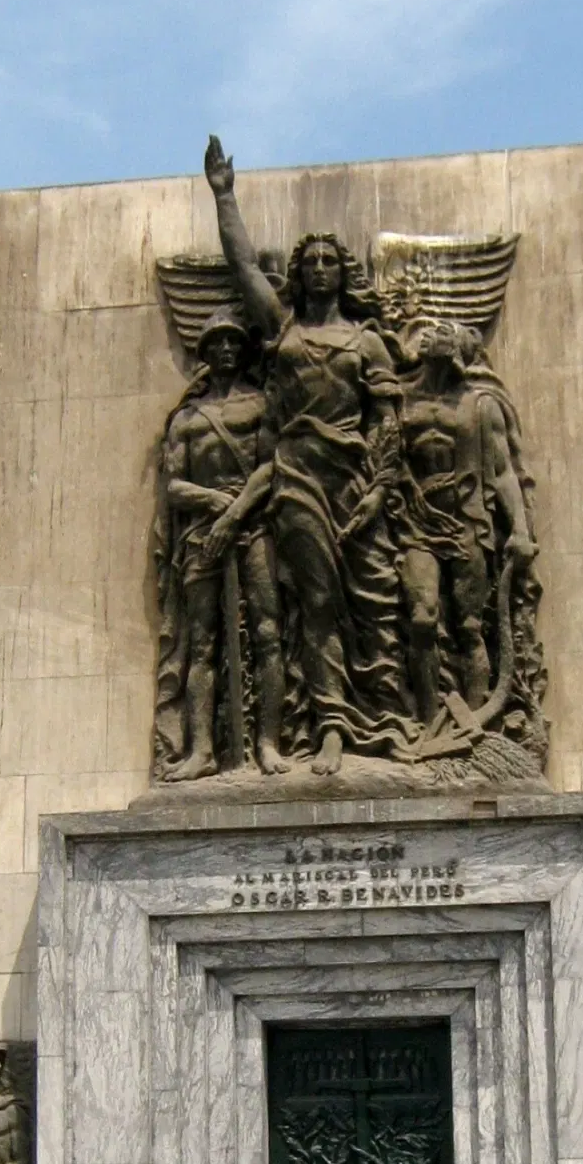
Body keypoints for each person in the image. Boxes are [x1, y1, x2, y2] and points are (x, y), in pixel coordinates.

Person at [203, 134, 412, 774]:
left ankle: (389, 717)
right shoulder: (283, 329)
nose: (320, 268)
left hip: (355, 482)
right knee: (318, 604)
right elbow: (242, 269)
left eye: (330, 260)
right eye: (311, 260)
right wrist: (225, 196)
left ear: (343, 272)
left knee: (378, 599)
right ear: (298, 273)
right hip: (296, 477)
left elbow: (389, 424)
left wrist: (378, 488)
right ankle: (331, 726)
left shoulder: (370, 343)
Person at [157, 308, 287, 778]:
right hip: (202, 537)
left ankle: (269, 744)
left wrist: (234, 513)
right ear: (206, 353)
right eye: (218, 343)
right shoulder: (187, 420)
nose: (227, 349)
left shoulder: (259, 405)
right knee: (203, 644)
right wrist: (214, 501)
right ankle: (202, 752)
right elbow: (174, 485)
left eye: (234, 341)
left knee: (268, 635)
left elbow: (272, 466)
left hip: (251, 529)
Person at [392, 318, 536, 725]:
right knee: (422, 619)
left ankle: (476, 726)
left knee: (471, 626)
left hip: (468, 519)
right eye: (431, 333)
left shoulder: (480, 406)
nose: (434, 336)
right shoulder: (401, 402)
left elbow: (505, 471)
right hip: (418, 523)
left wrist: (521, 530)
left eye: (444, 332)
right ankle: (427, 723)